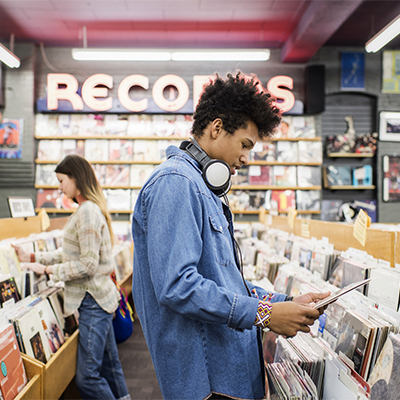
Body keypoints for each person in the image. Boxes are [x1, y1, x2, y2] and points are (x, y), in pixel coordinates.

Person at [131, 72, 330, 400]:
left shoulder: (203, 187)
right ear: (217, 128)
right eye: (245, 145)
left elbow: (224, 280)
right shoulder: (176, 184)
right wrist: (266, 315)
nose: (246, 159)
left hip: (229, 372)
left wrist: (284, 304)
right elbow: (178, 287)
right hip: (207, 380)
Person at [13, 155, 131, 400]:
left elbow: (86, 264)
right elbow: (69, 253)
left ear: (76, 178)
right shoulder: (87, 209)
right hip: (101, 298)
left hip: (93, 301)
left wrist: (47, 271)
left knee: (87, 378)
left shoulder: (87, 212)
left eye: (61, 180)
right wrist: (32, 256)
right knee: (110, 366)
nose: (59, 187)